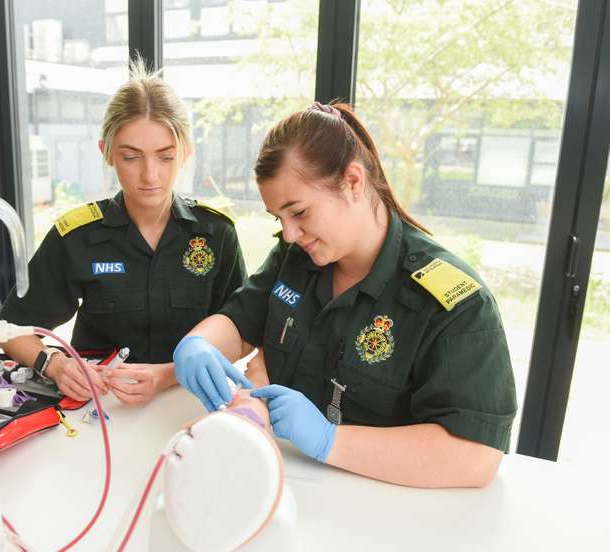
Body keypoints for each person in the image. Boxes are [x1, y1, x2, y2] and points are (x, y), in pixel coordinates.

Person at [172, 101, 517, 488]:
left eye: (299, 213)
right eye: (279, 218)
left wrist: (330, 440)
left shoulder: (451, 303)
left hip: (383, 502)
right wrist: (198, 344)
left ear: (353, 182)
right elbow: (241, 320)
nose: (290, 234)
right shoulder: (298, 256)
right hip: (284, 480)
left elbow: (476, 457)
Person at [0, 58, 246, 406]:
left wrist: (166, 375)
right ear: (107, 152)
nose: (150, 175)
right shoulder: (77, 237)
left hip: (188, 402)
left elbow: (239, 332)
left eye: (165, 157)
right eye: (131, 157)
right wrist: (55, 364)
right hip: (100, 405)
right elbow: (12, 328)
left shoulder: (216, 234)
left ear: (185, 153)